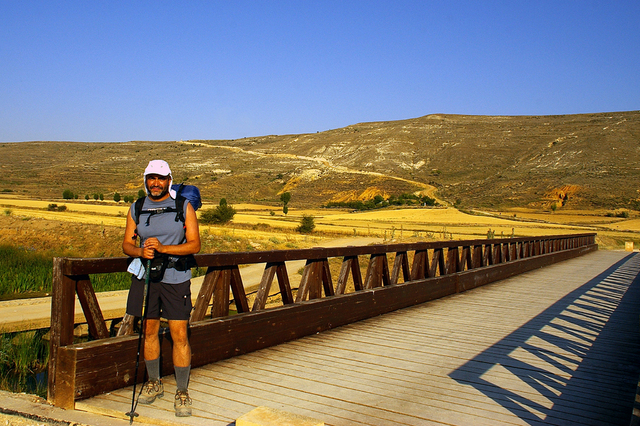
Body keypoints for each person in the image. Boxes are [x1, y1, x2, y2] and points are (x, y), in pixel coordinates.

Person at [122, 159, 201, 417]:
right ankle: (154, 383)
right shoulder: (137, 207)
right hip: (146, 277)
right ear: (145, 180)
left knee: (179, 333)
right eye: (151, 178)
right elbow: (126, 245)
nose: (156, 183)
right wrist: (141, 251)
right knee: (149, 331)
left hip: (176, 278)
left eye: (161, 178)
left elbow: (194, 245)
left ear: (169, 179)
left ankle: (181, 391)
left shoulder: (183, 206)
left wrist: (163, 249)